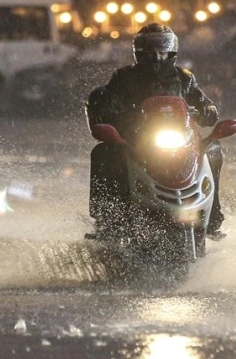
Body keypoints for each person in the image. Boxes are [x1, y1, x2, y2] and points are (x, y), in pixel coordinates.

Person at [85, 23, 225, 240]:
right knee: (104, 153)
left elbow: (201, 101)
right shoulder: (123, 77)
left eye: (162, 49)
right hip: (137, 140)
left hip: (181, 139)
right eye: (150, 50)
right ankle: (108, 220)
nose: (157, 56)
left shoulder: (184, 78)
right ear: (139, 51)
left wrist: (208, 109)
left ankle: (213, 217)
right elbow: (107, 107)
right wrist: (122, 115)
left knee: (214, 150)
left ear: (172, 51)